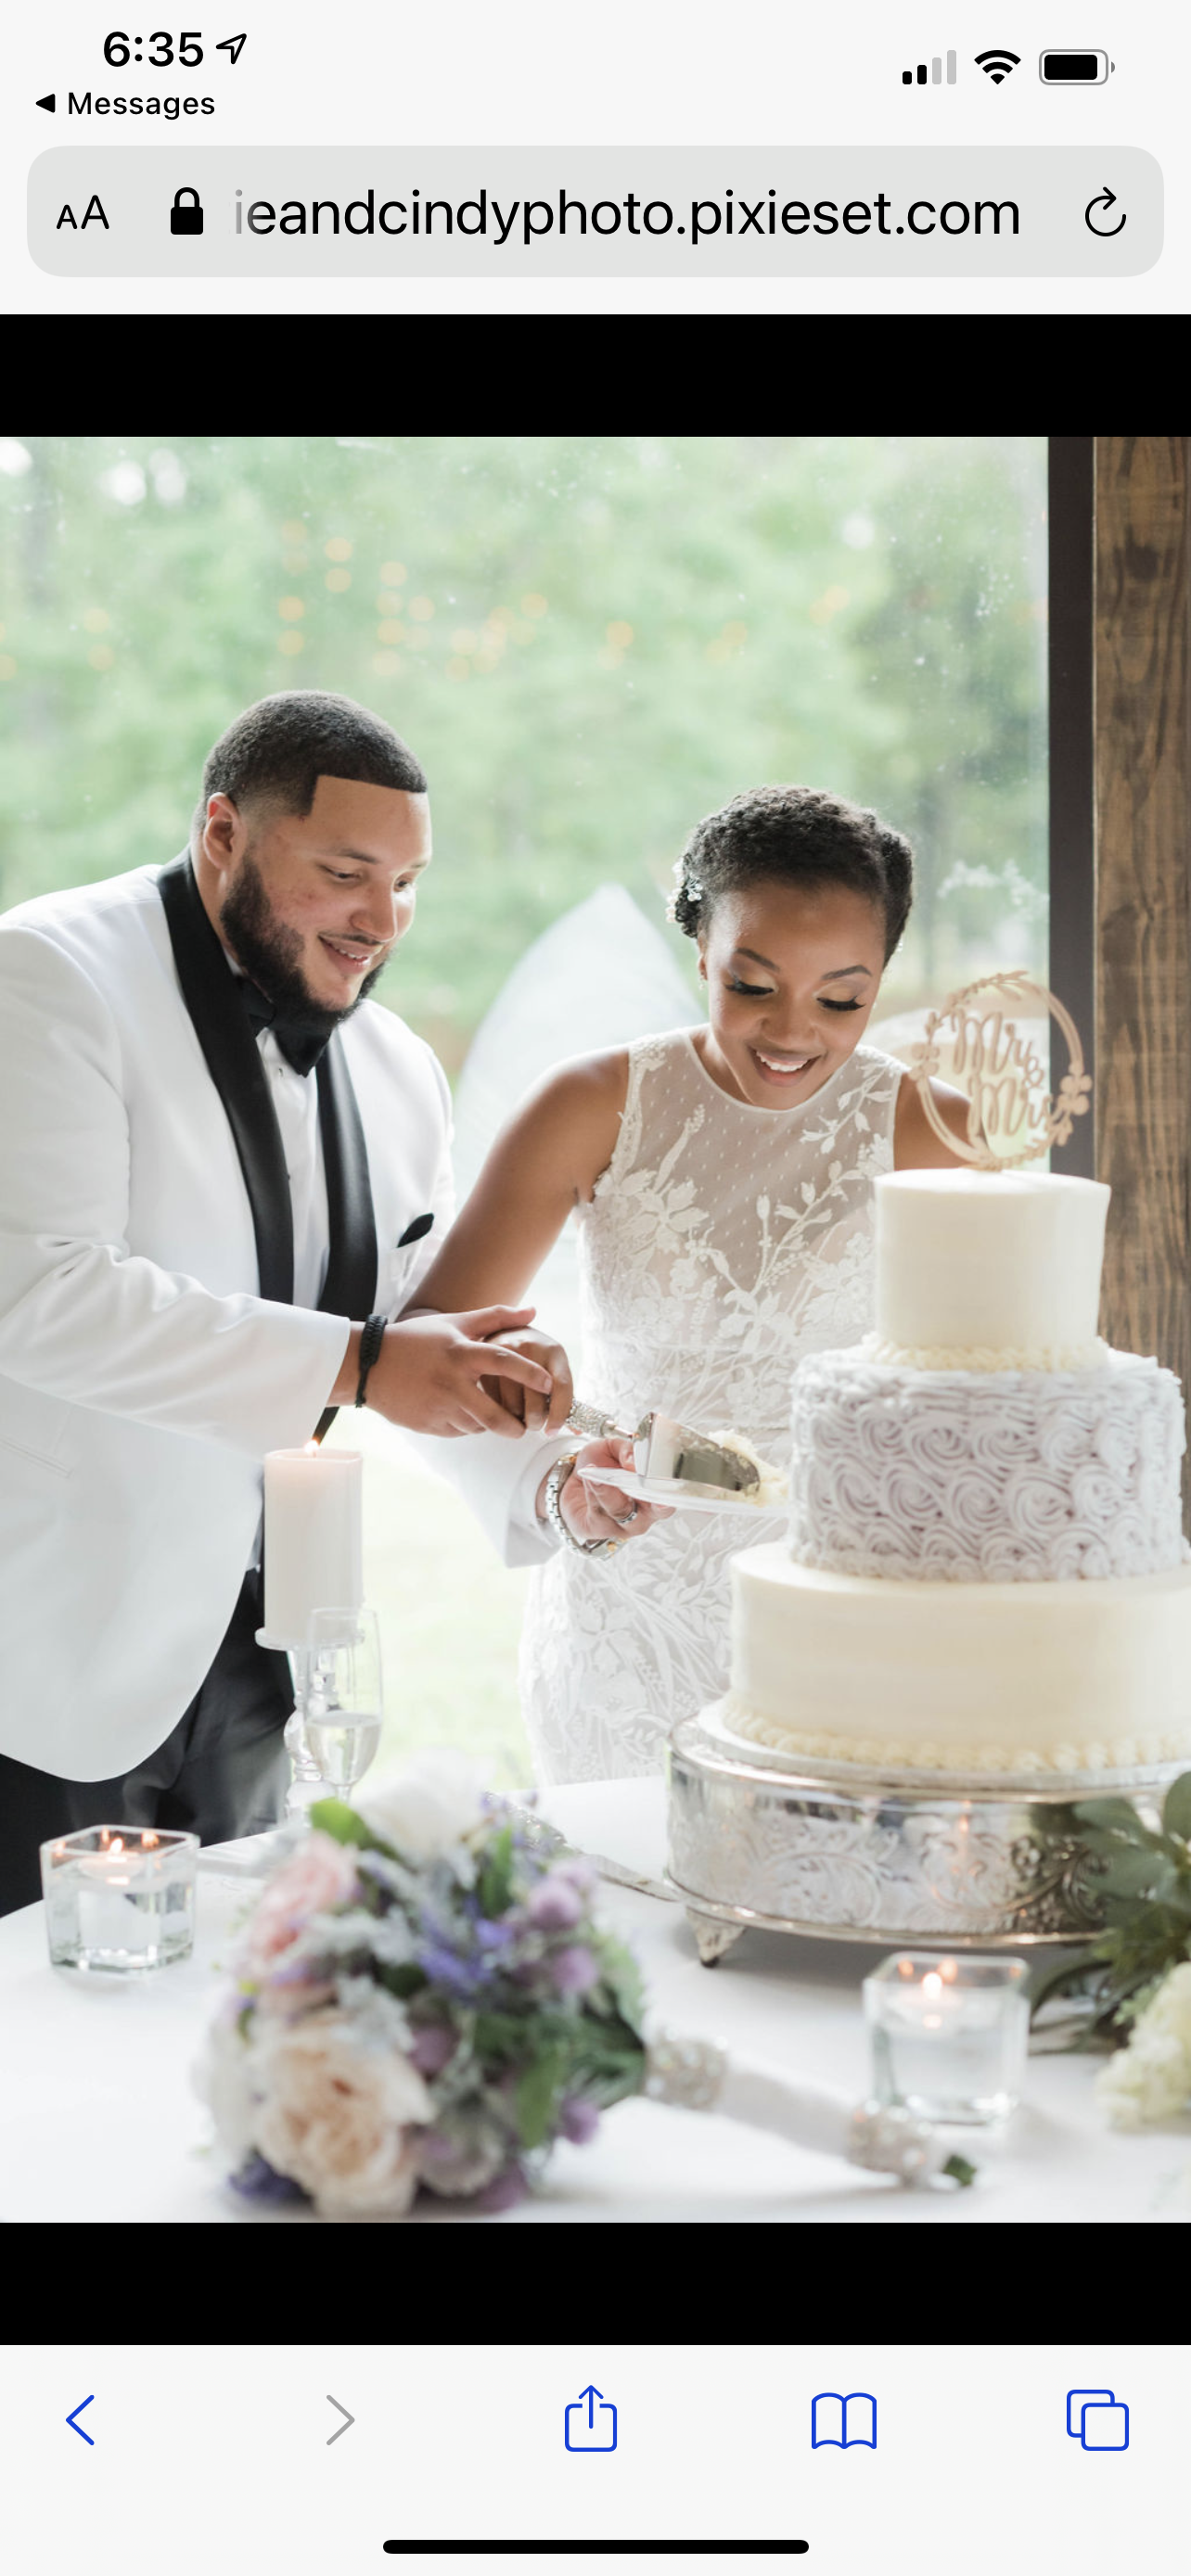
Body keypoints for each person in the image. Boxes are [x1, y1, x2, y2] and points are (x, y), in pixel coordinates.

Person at [0, 689, 572, 1917]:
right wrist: (367, 1363)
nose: (384, 921)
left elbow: (412, 1335)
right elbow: (40, 1295)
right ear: (224, 833)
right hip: (43, 1661)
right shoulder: (45, 973)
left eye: (409, 883)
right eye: (347, 874)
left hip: (269, 1662)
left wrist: (560, 1462)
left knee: (224, 2024)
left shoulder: (400, 1068)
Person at [410, 782, 975, 1783]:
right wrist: (552, 1464)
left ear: (881, 978)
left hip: (839, 1617)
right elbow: (429, 1354)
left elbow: (982, 1398)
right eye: (753, 985)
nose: (794, 1032)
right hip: (626, 1618)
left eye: (843, 997)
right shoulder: (591, 1105)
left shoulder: (938, 1132)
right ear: (700, 952)